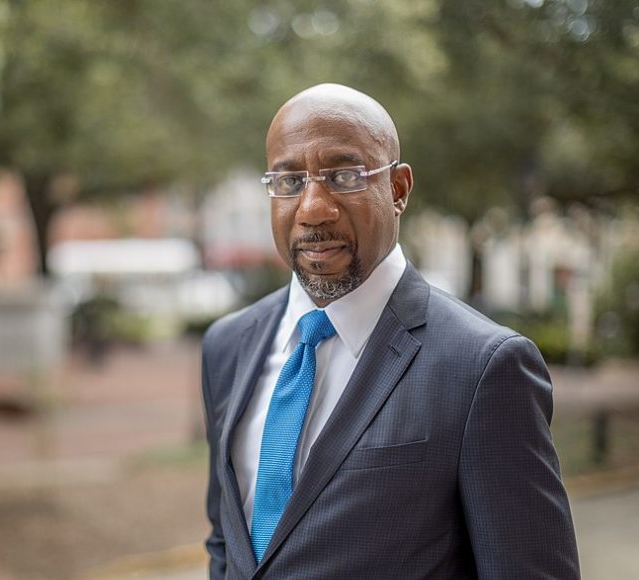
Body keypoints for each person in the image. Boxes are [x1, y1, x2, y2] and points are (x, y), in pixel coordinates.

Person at [200, 84, 579, 579]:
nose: (313, 208)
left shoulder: (484, 367)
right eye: (290, 180)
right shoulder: (227, 346)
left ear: (398, 190)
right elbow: (228, 542)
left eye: (345, 175)